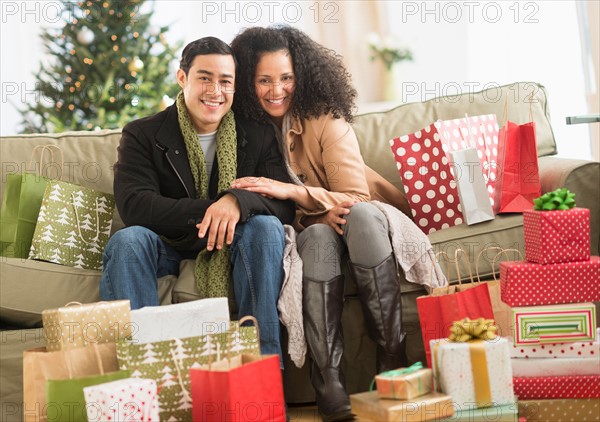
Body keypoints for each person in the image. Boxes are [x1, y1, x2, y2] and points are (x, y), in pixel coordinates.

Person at [230, 26, 422, 422]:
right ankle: (328, 379)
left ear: (302, 77)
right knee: (317, 235)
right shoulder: (240, 131)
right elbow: (260, 204)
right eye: (264, 80)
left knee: (362, 215)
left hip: (360, 221)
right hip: (307, 230)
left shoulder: (324, 119)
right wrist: (315, 210)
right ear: (249, 82)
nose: (276, 90)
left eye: (286, 78)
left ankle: (393, 356)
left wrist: (298, 194)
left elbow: (357, 197)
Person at [99, 37, 295, 365]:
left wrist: (235, 202)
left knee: (264, 228)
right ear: (182, 78)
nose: (215, 90)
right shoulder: (142, 134)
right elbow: (135, 204)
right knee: (128, 241)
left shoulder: (258, 134)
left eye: (225, 81)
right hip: (169, 244)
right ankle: (143, 379)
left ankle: (264, 376)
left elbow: (283, 203)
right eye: (204, 78)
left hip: (234, 244)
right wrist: (212, 209)